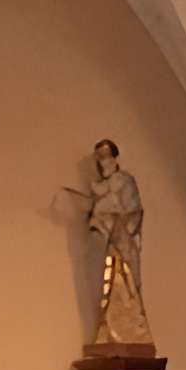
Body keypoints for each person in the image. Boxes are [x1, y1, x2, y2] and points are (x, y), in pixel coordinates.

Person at [76, 139, 151, 350]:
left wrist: (121, 227)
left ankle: (132, 333)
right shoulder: (98, 190)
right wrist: (100, 223)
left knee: (128, 286)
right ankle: (110, 331)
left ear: (114, 157)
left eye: (106, 155)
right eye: (99, 157)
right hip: (109, 245)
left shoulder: (125, 182)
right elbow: (96, 219)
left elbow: (134, 212)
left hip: (124, 242)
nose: (103, 161)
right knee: (108, 287)